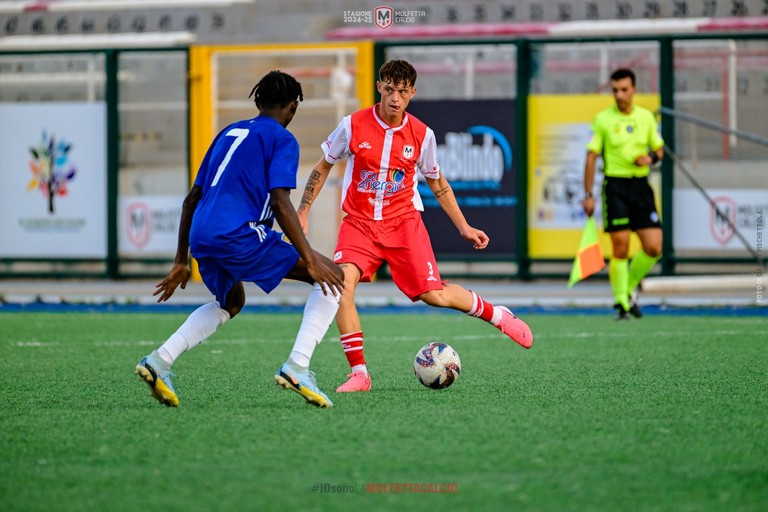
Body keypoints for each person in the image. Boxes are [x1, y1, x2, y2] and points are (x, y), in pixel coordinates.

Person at [297, 59, 534, 393]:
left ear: (412, 94)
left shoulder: (422, 135)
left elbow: (438, 184)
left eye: (403, 92)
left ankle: (498, 315)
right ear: (380, 86)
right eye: (390, 89)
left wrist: (464, 227)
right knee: (340, 286)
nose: (395, 97)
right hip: (360, 225)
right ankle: (360, 374)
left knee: (434, 294)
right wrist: (304, 210)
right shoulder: (352, 126)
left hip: (403, 224)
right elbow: (322, 167)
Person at [135, 70, 345, 408]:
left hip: (202, 233)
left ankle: (159, 361)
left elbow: (191, 198)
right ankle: (298, 366)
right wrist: (309, 259)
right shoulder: (281, 139)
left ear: (258, 101)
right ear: (293, 107)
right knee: (334, 277)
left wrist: (180, 260)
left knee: (231, 302)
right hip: (238, 234)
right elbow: (280, 202)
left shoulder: (229, 132)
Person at [582, 67, 664, 320]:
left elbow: (659, 151)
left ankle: (627, 288)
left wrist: (648, 157)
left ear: (634, 90)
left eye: (624, 90)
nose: (619, 95)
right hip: (615, 186)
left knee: (654, 247)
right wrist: (588, 194)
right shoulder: (604, 119)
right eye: (615, 90)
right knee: (621, 246)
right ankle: (621, 302)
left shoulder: (646, 118)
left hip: (640, 186)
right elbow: (592, 156)